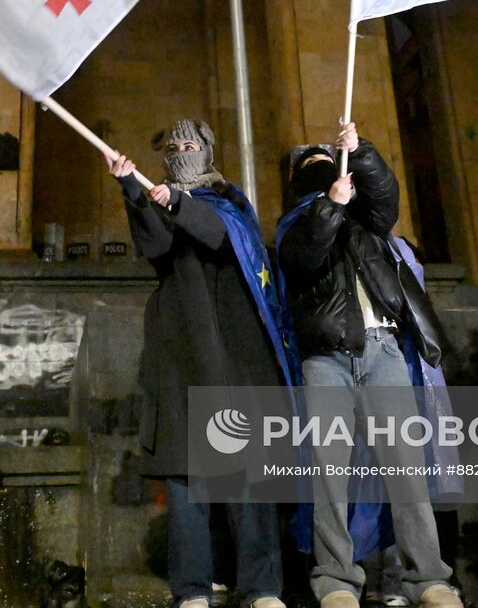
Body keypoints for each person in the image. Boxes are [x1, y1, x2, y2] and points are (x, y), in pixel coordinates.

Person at [276, 121, 461, 608]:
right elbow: (303, 258)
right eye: (311, 165)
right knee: (328, 474)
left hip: (382, 352)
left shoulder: (367, 221)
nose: (321, 168)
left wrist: (361, 152)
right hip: (326, 360)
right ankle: (336, 581)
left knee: (406, 469)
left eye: (326, 161)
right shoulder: (294, 224)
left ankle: (430, 579)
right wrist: (329, 206)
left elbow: (385, 197)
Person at [109, 119, 291, 608]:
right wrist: (132, 188)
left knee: (246, 473)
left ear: (208, 152)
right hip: (184, 355)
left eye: (191, 144)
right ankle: (192, 587)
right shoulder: (164, 203)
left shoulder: (230, 203)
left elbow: (218, 236)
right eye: (173, 146)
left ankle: (261, 585)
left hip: (235, 356)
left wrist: (177, 202)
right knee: (187, 474)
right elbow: (157, 247)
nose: (181, 151)